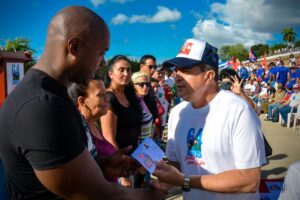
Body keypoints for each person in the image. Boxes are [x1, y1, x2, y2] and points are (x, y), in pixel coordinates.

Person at [0, 6, 164, 200]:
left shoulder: (52, 95)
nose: (103, 63)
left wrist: (103, 164)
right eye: (101, 53)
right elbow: (95, 194)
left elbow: (62, 163)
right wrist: (156, 194)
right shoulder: (40, 105)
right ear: (74, 47)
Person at [153, 38, 266, 200]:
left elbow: (249, 180)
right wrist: (160, 180)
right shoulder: (177, 113)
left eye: (185, 70)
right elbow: (176, 165)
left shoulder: (237, 109)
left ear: (209, 76)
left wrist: (185, 181)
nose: (177, 76)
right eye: (176, 70)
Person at [100, 55, 142, 187]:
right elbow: (108, 137)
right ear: (111, 74)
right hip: (121, 161)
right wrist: (122, 171)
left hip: (136, 157)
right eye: (122, 70)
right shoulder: (108, 98)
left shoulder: (129, 94)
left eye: (129, 70)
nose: (126, 73)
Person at [68, 76, 118, 182]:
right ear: (82, 101)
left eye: (106, 94)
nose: (107, 99)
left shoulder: (94, 125)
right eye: (100, 95)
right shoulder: (79, 133)